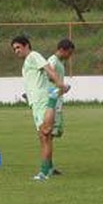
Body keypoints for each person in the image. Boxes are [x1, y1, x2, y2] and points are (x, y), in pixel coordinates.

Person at [11, 35, 70, 181]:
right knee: (44, 137)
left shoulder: (33, 55)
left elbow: (48, 68)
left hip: (42, 101)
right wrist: (28, 95)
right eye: (14, 49)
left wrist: (59, 84)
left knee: (45, 135)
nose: (16, 51)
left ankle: (44, 173)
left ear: (26, 46)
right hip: (36, 103)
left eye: (18, 47)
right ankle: (48, 168)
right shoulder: (27, 62)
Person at [47, 39, 75, 175]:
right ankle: (48, 167)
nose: (70, 56)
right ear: (63, 50)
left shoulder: (59, 63)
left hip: (57, 101)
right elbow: (48, 75)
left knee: (52, 135)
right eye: (69, 53)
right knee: (49, 135)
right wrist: (62, 86)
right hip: (52, 102)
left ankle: (49, 166)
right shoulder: (52, 61)